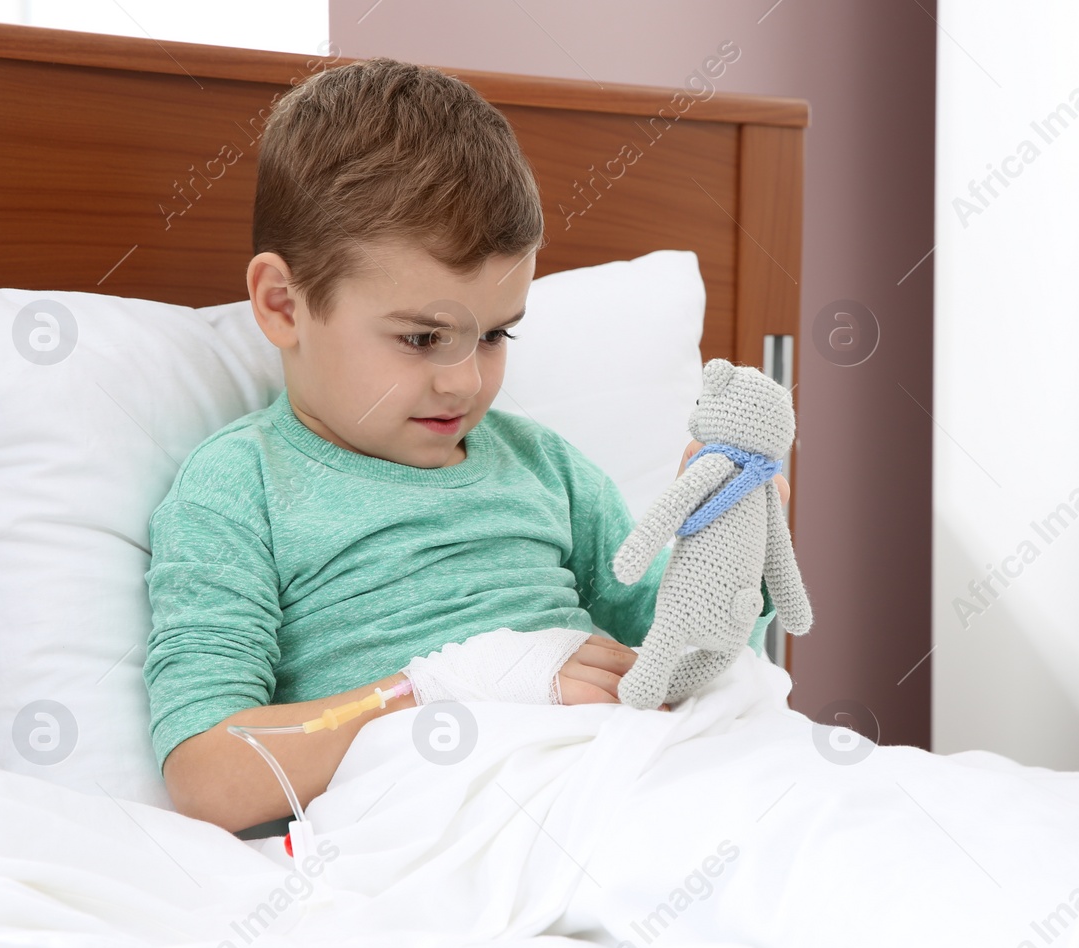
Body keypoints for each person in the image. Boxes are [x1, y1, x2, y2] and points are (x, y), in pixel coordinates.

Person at [144, 58, 787, 833]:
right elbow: (210, 773)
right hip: (453, 815)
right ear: (283, 304)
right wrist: (447, 686)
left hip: (632, 774)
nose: (462, 383)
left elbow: (672, 657)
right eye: (421, 337)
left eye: (493, 335)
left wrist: (722, 559)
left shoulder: (545, 467)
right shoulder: (240, 486)